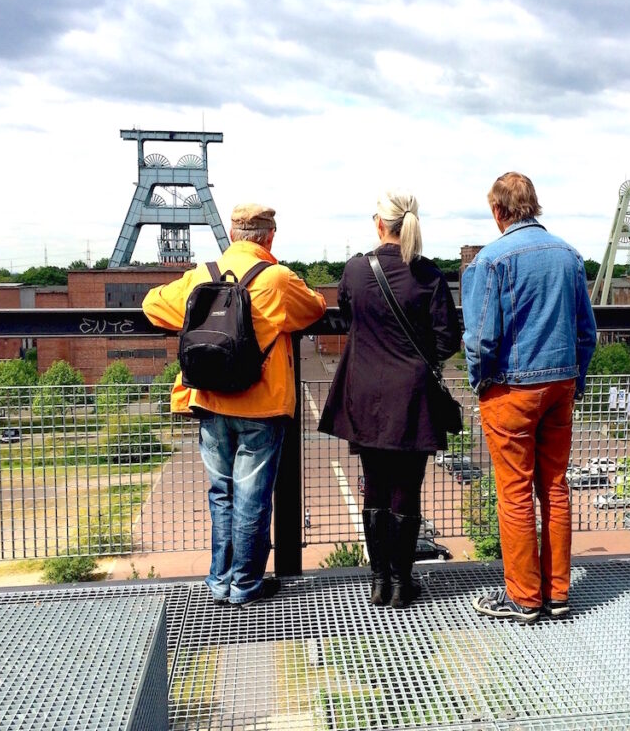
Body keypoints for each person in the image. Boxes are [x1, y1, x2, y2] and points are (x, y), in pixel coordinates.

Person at [142, 203, 326, 606]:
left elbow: (152, 305)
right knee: (251, 498)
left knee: (221, 493)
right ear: (269, 237)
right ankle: (246, 584)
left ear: (232, 234)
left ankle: (219, 581)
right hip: (260, 405)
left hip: (208, 398)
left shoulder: (201, 276)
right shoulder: (276, 279)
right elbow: (314, 308)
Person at [462, 172, 597, 624]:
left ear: (498, 211)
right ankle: (558, 594)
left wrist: (479, 381)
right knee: (555, 487)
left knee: (515, 492)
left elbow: (481, 339)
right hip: (560, 385)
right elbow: (586, 332)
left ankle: (523, 597)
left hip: (511, 389)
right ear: (533, 206)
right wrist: (573, 381)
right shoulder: (569, 256)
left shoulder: (490, 260)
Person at [319, 190, 461, 608]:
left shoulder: (356, 270)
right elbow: (448, 338)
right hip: (412, 397)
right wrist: (417, 362)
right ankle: (401, 584)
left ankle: (379, 581)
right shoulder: (430, 275)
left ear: (379, 224)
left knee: (374, 485)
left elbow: (348, 318)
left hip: (364, 393)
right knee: (407, 488)